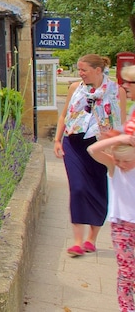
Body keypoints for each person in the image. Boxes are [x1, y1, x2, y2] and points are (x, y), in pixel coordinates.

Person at [54, 54, 128, 256]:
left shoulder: (116, 92)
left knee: (97, 188)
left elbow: (120, 122)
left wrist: (116, 146)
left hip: (100, 146)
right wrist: (57, 140)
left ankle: (91, 239)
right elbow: (64, 115)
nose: (81, 73)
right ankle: (77, 241)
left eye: (84, 70)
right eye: (79, 70)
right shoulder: (74, 88)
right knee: (77, 188)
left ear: (98, 70)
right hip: (74, 143)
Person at [88, 66, 135, 312]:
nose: (126, 87)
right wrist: (118, 139)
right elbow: (95, 150)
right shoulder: (117, 165)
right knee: (127, 274)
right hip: (123, 223)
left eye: (130, 83)